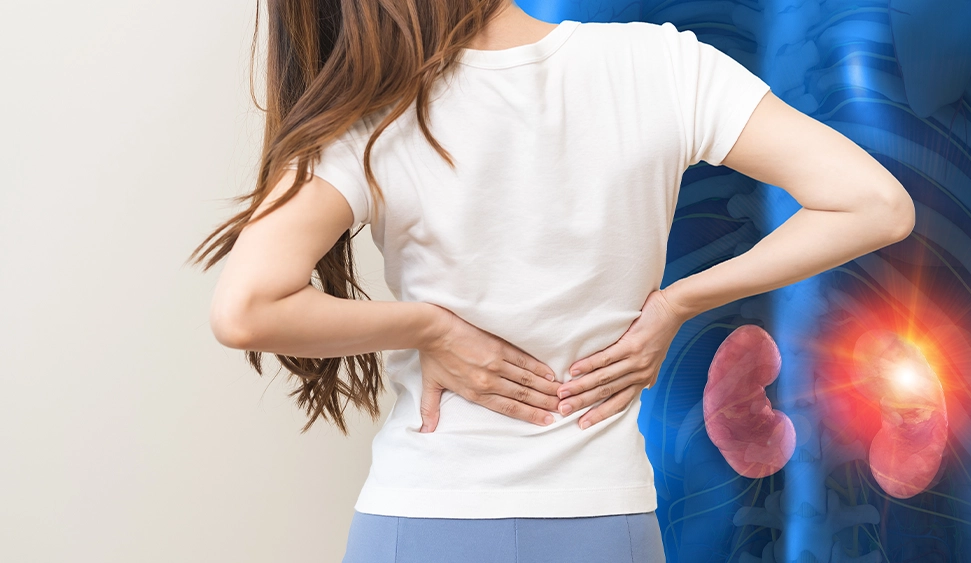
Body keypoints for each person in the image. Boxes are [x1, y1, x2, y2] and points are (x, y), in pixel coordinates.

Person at [188, 0, 915, 561]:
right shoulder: (661, 64)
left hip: (425, 515)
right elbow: (875, 204)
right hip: (603, 520)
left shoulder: (370, 113)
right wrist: (678, 302)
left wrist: (427, 325)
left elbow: (247, 306)